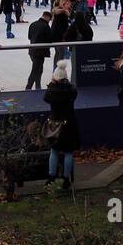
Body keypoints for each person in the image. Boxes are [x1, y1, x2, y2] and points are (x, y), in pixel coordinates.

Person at [43, 60, 79, 190]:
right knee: (68, 152)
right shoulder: (72, 90)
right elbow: (74, 93)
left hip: (54, 124)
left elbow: (45, 98)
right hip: (68, 123)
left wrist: (51, 84)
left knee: (54, 151)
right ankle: (66, 178)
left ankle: (51, 177)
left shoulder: (51, 91)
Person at [26, 10, 53, 90]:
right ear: (47, 17)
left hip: (32, 50)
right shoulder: (45, 26)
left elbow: (29, 37)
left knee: (38, 69)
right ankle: (29, 87)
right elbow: (49, 40)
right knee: (36, 70)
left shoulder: (33, 24)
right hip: (40, 52)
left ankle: (38, 86)